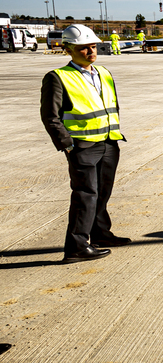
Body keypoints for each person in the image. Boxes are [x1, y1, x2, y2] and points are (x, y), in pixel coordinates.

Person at [39, 24, 131, 263]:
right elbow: (50, 115)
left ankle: (101, 234)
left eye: (93, 46)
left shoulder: (104, 73)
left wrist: (114, 134)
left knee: (102, 192)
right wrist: (67, 144)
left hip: (109, 142)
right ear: (68, 49)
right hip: (83, 146)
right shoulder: (58, 77)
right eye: (83, 48)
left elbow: (112, 105)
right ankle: (77, 246)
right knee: (85, 195)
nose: (90, 51)